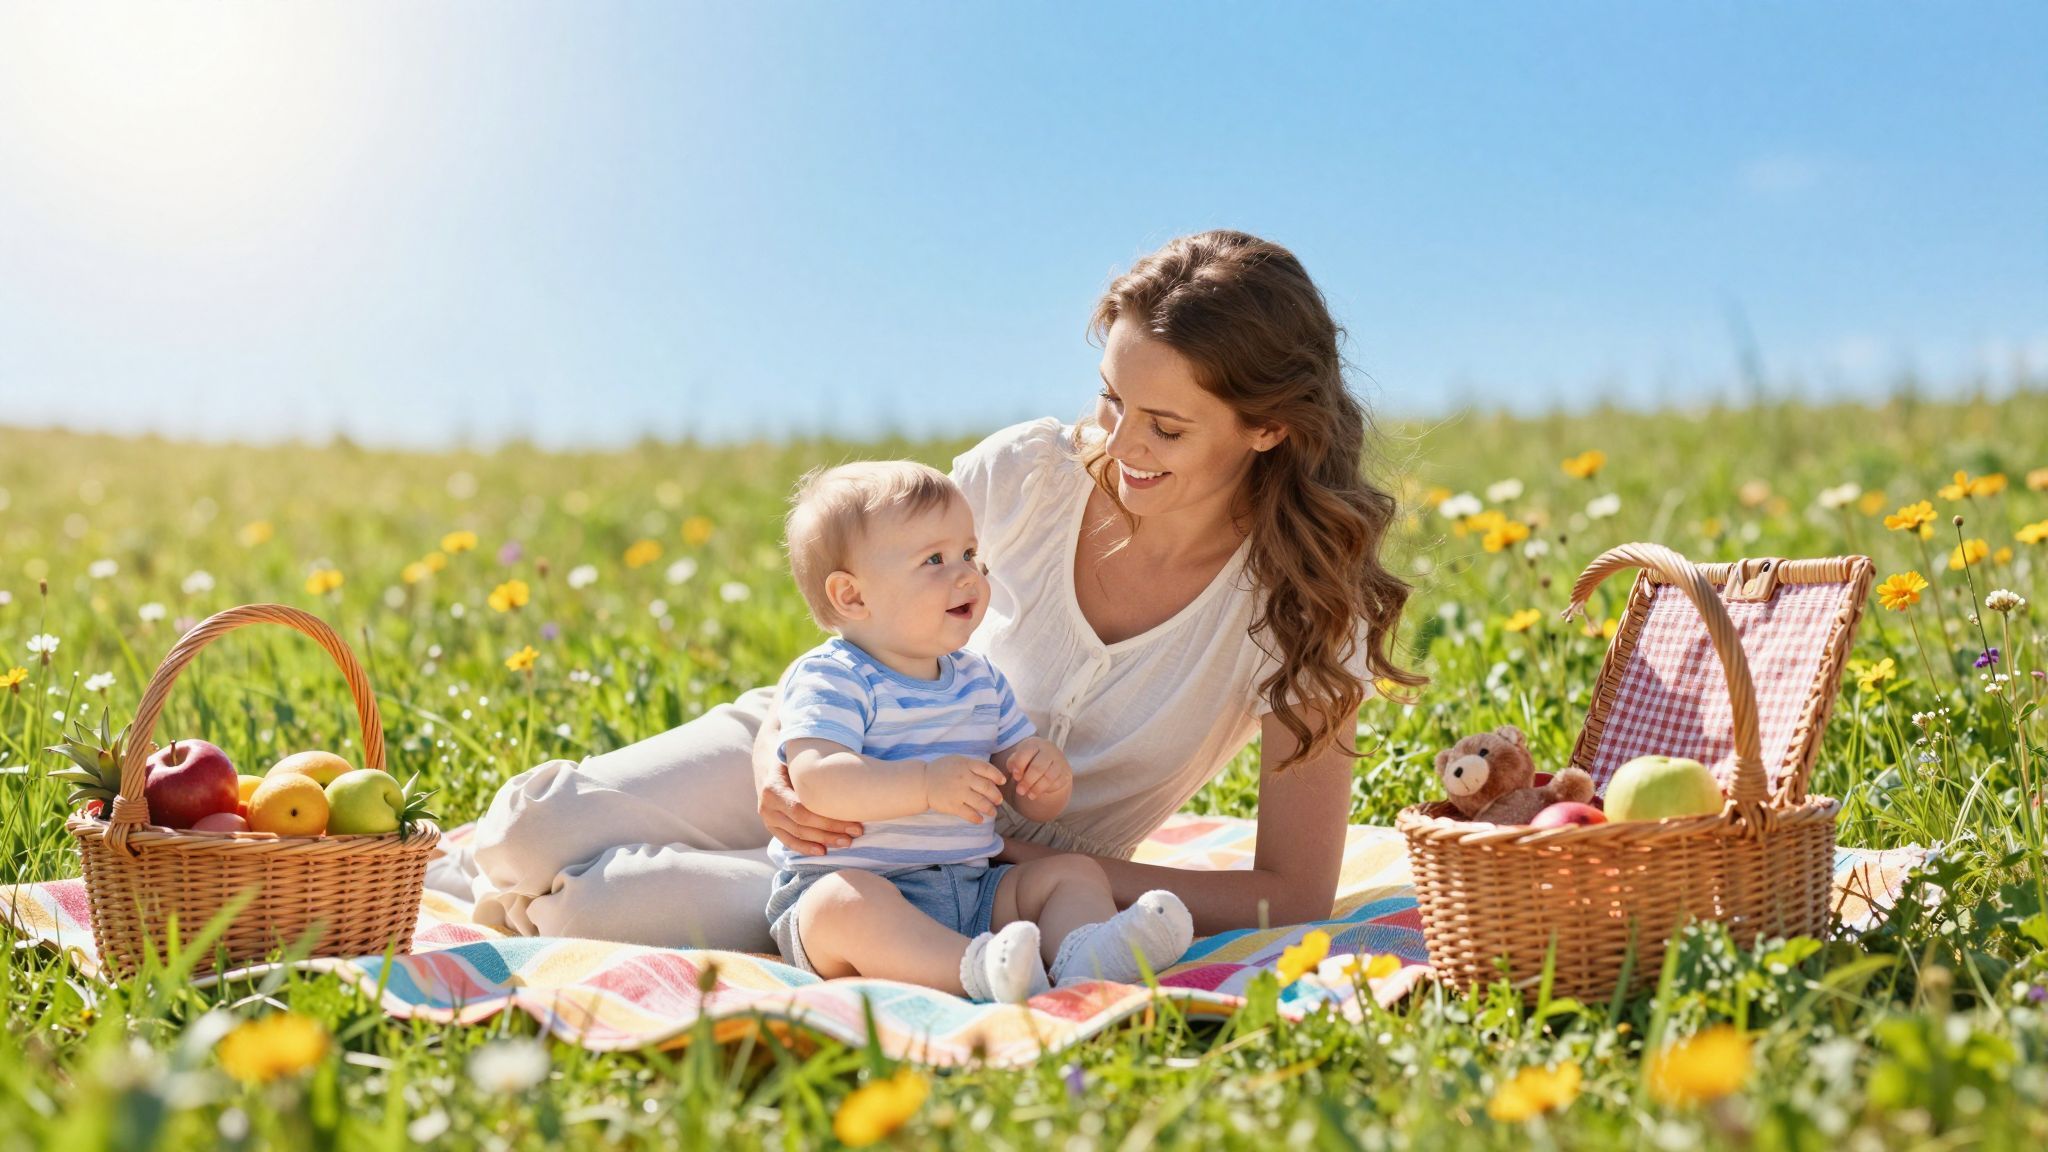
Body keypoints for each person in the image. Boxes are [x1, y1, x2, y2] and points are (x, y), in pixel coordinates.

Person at [450, 229, 1426, 955]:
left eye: (1165, 428)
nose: (1120, 445)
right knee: (529, 836)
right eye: (1110, 399)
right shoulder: (1030, 475)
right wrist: (776, 761)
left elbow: (1292, 893)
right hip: (829, 740)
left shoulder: (1305, 609)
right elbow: (859, 613)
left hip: (957, 881)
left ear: (1268, 428)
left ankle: (615, 904)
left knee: (590, 909)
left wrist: (1046, 872)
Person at [761, 461, 1192, 1000]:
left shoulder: (979, 679)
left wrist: (1041, 778)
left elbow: (1024, 794)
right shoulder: (834, 676)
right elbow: (819, 781)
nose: (968, 575)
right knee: (844, 907)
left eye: (969, 554)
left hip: (971, 888)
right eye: (934, 560)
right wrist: (925, 785)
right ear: (852, 596)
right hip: (855, 889)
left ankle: (1088, 951)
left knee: (1074, 873)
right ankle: (979, 971)